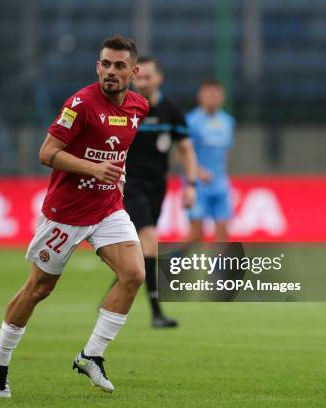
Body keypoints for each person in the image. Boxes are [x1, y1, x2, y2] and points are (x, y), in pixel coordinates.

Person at [0, 35, 149, 398]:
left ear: (132, 72)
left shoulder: (139, 107)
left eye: (119, 66)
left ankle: (91, 355)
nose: (110, 71)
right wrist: (95, 169)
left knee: (134, 273)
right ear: (97, 66)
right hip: (65, 214)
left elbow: (116, 153)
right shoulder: (80, 104)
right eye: (105, 64)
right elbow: (47, 153)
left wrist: (114, 179)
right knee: (38, 289)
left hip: (107, 208)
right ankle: (0, 361)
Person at [121, 56, 198, 328]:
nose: (143, 82)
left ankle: (115, 292)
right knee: (151, 239)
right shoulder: (123, 109)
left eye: (148, 77)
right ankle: (156, 312)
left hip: (158, 186)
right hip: (130, 184)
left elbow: (185, 149)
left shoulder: (171, 110)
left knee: (142, 245)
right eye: (138, 77)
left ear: (158, 78)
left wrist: (190, 184)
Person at [186, 78, 235, 242]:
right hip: (198, 185)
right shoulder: (191, 121)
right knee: (196, 234)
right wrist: (199, 172)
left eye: (217, 94)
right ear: (201, 96)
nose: (213, 97)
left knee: (223, 233)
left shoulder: (227, 122)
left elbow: (226, 151)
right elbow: (183, 153)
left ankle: (219, 269)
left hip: (220, 183)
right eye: (210, 93)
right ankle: (169, 265)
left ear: (223, 97)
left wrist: (223, 174)